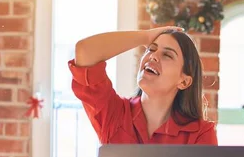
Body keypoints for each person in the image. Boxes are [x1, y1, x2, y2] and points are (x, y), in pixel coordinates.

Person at [68, 26, 217, 145]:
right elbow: (85, 50)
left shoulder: (200, 133)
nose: (153, 56)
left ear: (184, 81)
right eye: (151, 49)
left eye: (167, 55)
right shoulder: (115, 113)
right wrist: (145, 37)